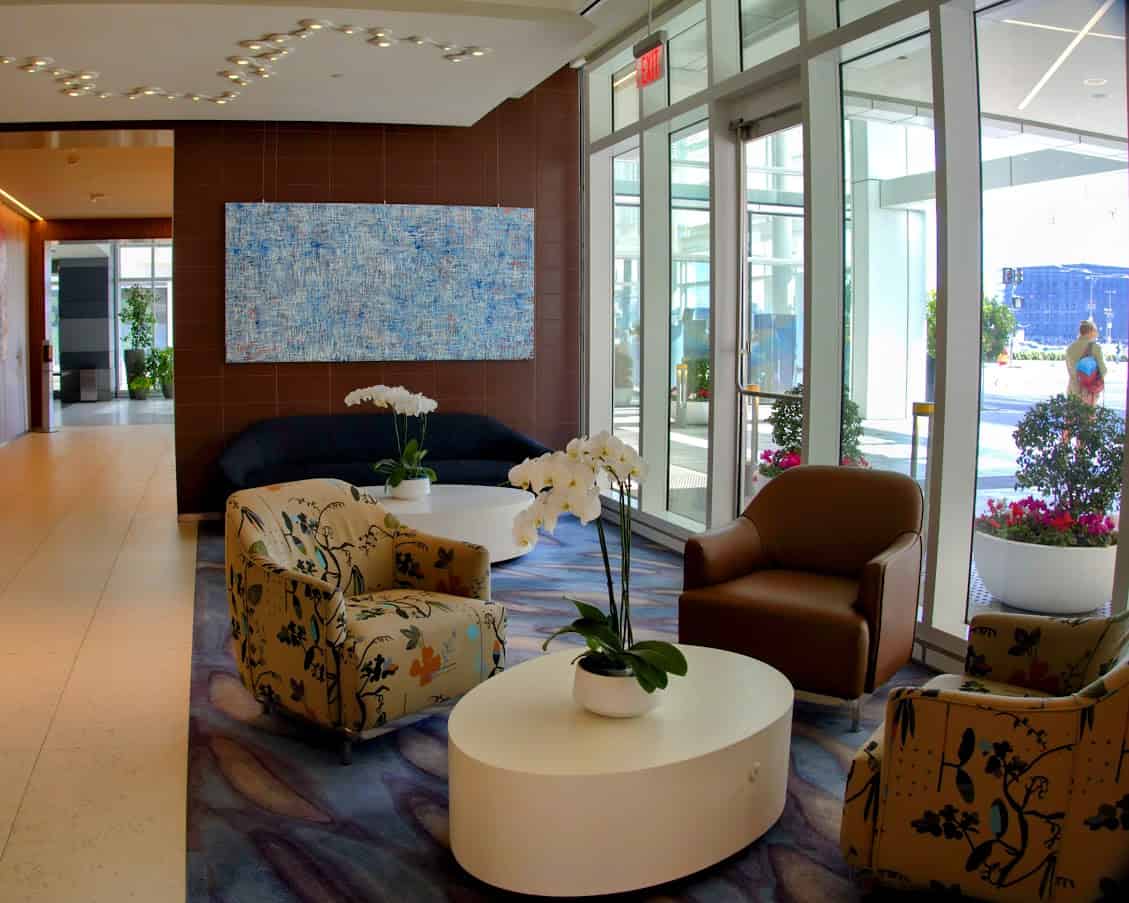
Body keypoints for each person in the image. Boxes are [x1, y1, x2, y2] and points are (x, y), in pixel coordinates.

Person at [1065, 319, 1107, 406]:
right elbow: (1103, 370)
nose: (1097, 333)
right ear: (1090, 332)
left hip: (1072, 390)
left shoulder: (1070, 348)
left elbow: (1070, 371)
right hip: (1088, 393)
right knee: (1087, 418)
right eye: (1095, 330)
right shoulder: (1095, 348)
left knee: (1072, 417)